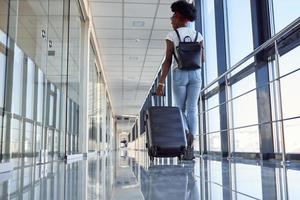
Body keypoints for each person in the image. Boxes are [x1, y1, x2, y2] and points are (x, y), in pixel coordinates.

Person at [156, 0, 204, 160]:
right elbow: (202, 59)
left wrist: (161, 82)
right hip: (196, 74)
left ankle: (184, 142)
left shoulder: (172, 35)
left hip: (180, 74)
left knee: (180, 110)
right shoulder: (198, 35)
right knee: (192, 110)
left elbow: (168, 61)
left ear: (178, 16)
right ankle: (191, 145)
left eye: (172, 17)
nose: (171, 20)